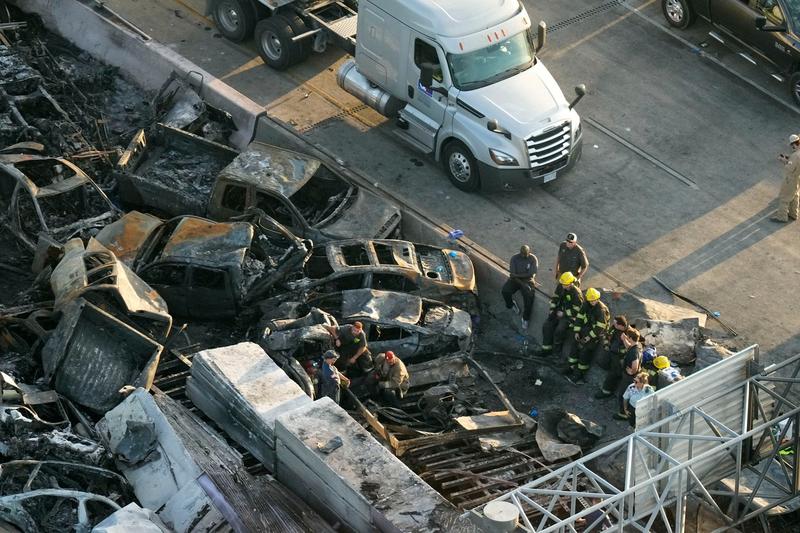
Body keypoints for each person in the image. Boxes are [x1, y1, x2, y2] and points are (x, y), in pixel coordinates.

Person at [563, 287, 610, 384]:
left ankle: (579, 374)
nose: (593, 302)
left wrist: (589, 337)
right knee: (575, 346)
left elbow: (600, 327)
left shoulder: (601, 310)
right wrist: (576, 331)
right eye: (591, 301)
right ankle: (570, 367)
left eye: (594, 300)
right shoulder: (586, 304)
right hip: (586, 328)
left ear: (598, 299)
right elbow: (579, 318)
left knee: (585, 352)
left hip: (596, 334)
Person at [594, 316, 641, 399]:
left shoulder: (629, 333)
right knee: (602, 362)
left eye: (616, 324)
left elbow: (630, 347)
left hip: (620, 357)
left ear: (621, 325)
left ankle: (606, 391)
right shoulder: (614, 328)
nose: (614, 324)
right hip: (611, 352)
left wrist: (619, 350)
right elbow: (607, 335)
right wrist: (606, 344)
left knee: (613, 373)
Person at [540, 271, 583, 357]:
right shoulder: (561, 286)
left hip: (569, 317)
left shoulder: (576, 293)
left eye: (565, 284)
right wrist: (552, 309)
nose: (563, 286)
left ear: (571, 283)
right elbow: (555, 298)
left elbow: (577, 310)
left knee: (559, 330)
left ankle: (556, 354)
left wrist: (564, 314)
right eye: (562, 284)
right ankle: (546, 349)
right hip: (558, 311)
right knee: (547, 325)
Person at [501, 244, 539, 330]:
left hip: (527, 281)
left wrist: (517, 276)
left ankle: (525, 318)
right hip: (517, 281)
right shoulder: (514, 258)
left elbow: (531, 274)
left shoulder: (533, 259)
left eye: (525, 254)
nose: (524, 256)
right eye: (522, 254)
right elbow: (513, 275)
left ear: (529, 252)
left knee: (529, 298)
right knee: (505, 291)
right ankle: (511, 304)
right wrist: (522, 283)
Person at [612, 333, 643, 422]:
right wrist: (624, 339)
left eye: (628, 337)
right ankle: (626, 412)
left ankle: (624, 414)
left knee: (623, 395)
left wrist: (632, 371)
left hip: (629, 378)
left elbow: (635, 365)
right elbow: (629, 347)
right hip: (631, 377)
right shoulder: (636, 347)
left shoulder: (634, 352)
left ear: (630, 338)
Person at [771, 133, 800, 223]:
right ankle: (793, 214)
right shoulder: (796, 154)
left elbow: (790, 168)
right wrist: (789, 159)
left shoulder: (796, 156)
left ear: (794, 144)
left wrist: (783, 161)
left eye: (792, 145)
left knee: (784, 197)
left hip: (790, 179)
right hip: (798, 178)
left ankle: (782, 216)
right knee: (795, 196)